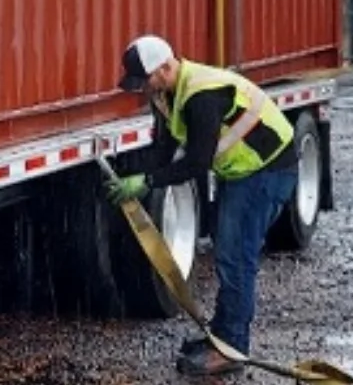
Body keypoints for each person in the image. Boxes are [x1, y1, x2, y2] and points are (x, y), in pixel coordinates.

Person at [106, 34, 299, 378]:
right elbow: (164, 149)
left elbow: (195, 163)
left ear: (164, 68)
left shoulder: (201, 95)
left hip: (267, 169)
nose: (142, 90)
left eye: (145, 81)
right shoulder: (166, 94)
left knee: (235, 258)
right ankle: (222, 338)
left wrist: (147, 182)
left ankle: (232, 348)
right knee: (228, 252)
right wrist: (132, 176)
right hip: (241, 171)